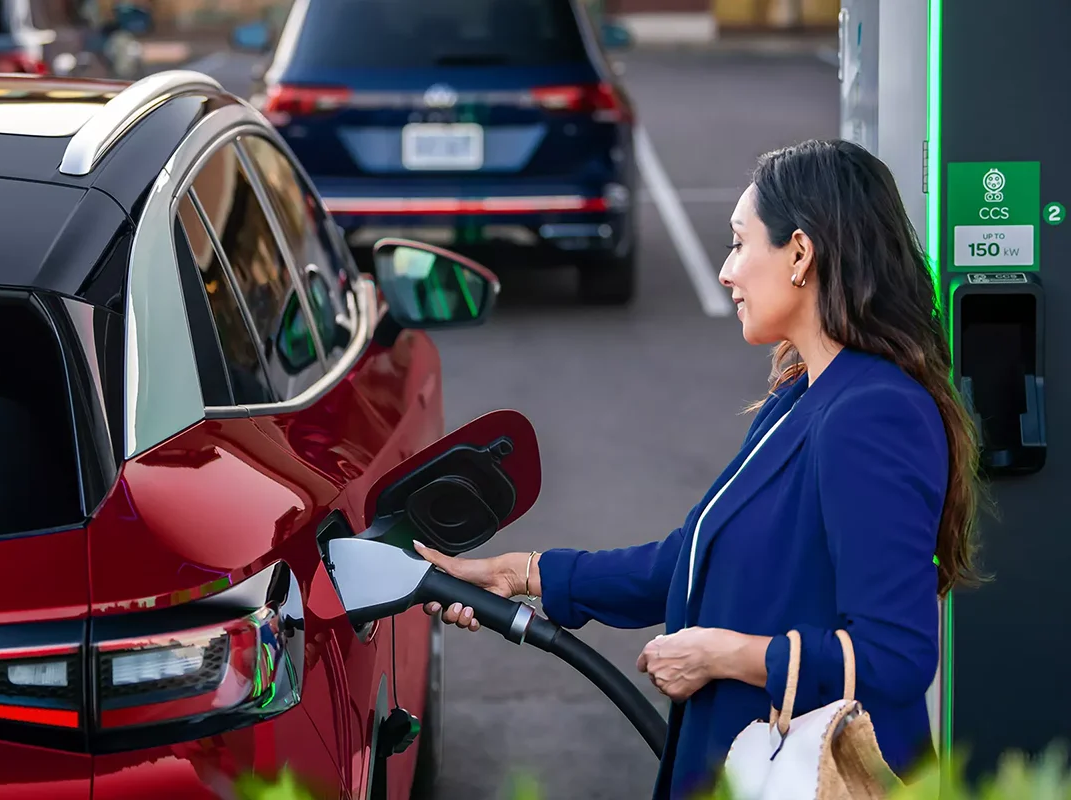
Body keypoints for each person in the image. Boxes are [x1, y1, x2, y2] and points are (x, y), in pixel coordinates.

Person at [414, 138, 984, 799]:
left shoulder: (874, 413)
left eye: (741, 243)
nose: (726, 272)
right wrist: (520, 573)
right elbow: (689, 561)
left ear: (800, 254)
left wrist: (726, 655)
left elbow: (896, 655)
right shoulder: (802, 396)